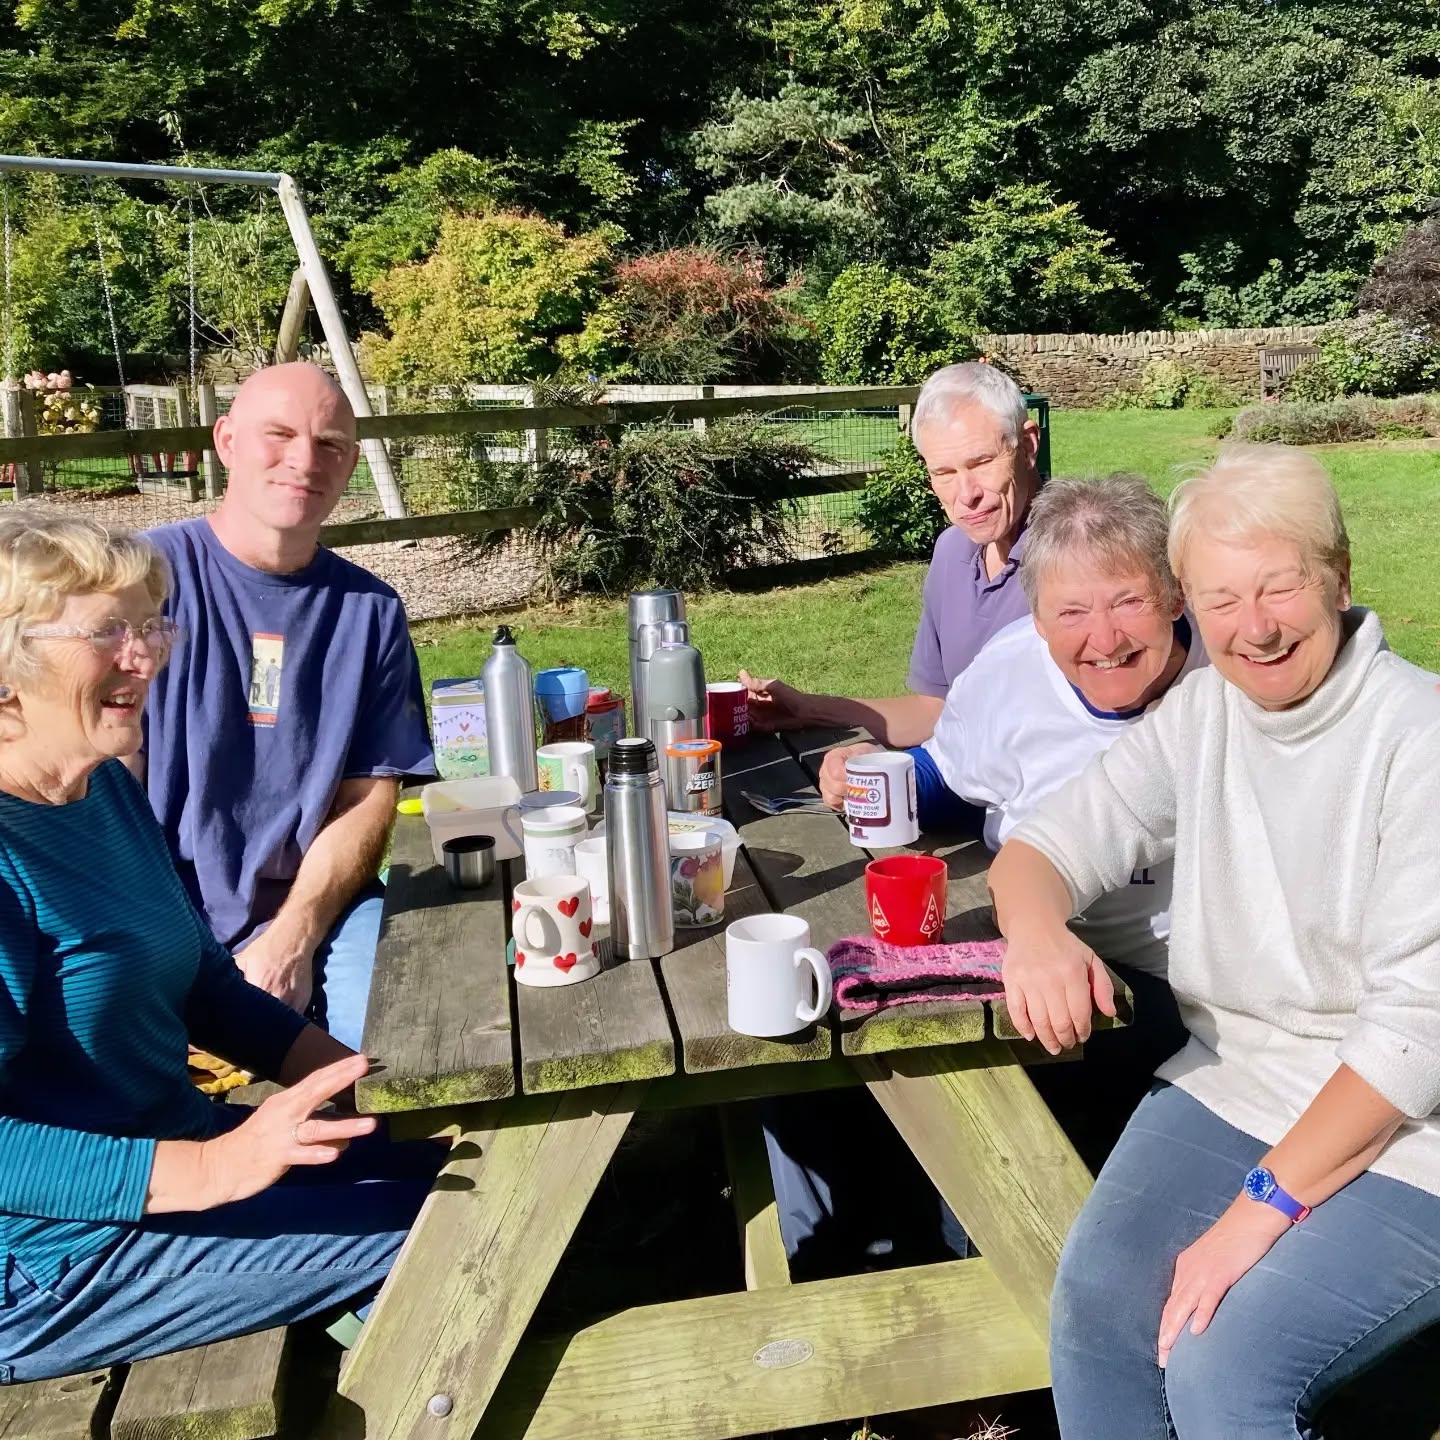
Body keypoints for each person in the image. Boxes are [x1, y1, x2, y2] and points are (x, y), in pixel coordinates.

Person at [990, 445, 1440, 1438]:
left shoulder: (1420, 740)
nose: (1256, 626)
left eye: (1281, 586)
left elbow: (1415, 1042)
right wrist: (1038, 934)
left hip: (1416, 1127)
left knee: (1224, 1369)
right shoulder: (1202, 715)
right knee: (1099, 1309)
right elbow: (1041, 850)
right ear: (1190, 604)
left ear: (1339, 578)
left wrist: (1255, 1212)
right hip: (1240, 1078)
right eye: (1222, 599)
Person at [0, 514, 438, 1381]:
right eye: (108, 632)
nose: (144, 656)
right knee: (468, 1230)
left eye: (151, 624)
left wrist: (358, 1086)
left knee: (475, 1163)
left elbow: (204, 983)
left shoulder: (101, 788)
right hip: (50, 1263)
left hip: (173, 1154)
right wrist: (210, 1169)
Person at [766, 475, 1199, 1275]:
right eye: (1071, 612)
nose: (1103, 638)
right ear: (1036, 619)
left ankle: (976, 1291)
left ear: (1176, 595)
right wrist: (875, 769)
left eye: (1128, 602)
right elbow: (951, 776)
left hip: (1178, 989)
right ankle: (849, 1285)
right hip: (1032, 954)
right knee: (806, 1044)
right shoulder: (1011, 671)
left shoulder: (1225, 684)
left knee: (971, 1097)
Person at [137, 363, 435, 1053]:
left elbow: (367, 796)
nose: (305, 460)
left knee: (405, 1055)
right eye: (279, 434)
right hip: (154, 920)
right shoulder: (141, 580)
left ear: (351, 463)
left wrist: (294, 936)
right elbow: (88, 787)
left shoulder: (370, 612)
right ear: (226, 440)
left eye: (329, 444)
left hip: (318, 912)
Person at [739, 362, 1042, 747]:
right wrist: (807, 709)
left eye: (981, 462)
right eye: (944, 473)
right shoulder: (952, 552)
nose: (967, 494)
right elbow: (936, 712)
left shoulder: (1078, 553)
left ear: (1027, 446)